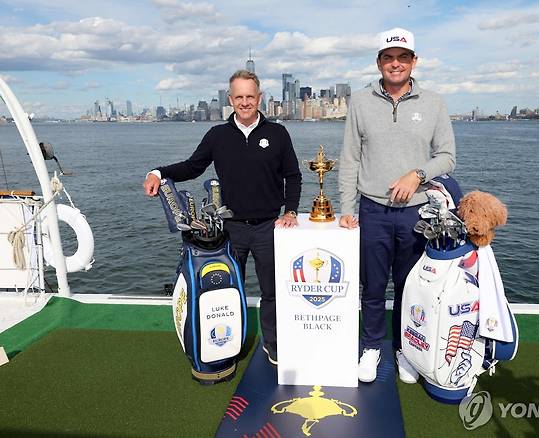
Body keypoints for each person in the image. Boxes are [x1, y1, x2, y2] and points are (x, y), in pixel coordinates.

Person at [143, 70, 302, 365]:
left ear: (260, 98)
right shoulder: (217, 135)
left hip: (269, 226)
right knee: (229, 290)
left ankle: (273, 342)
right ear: (230, 99)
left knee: (272, 291)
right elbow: (192, 167)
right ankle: (231, 341)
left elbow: (293, 176)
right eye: (238, 97)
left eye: (250, 96)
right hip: (231, 229)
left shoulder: (277, 133)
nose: (244, 102)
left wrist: (290, 211)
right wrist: (159, 172)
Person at [338, 28, 456, 383]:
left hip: (417, 213)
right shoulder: (359, 101)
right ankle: (372, 346)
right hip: (372, 210)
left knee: (410, 287)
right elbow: (349, 159)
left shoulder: (433, 102)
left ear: (413, 62)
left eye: (402, 58)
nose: (395, 64)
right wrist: (347, 206)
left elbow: (448, 157)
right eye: (388, 58)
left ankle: (408, 349)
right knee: (372, 286)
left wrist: (416, 175)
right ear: (379, 62)